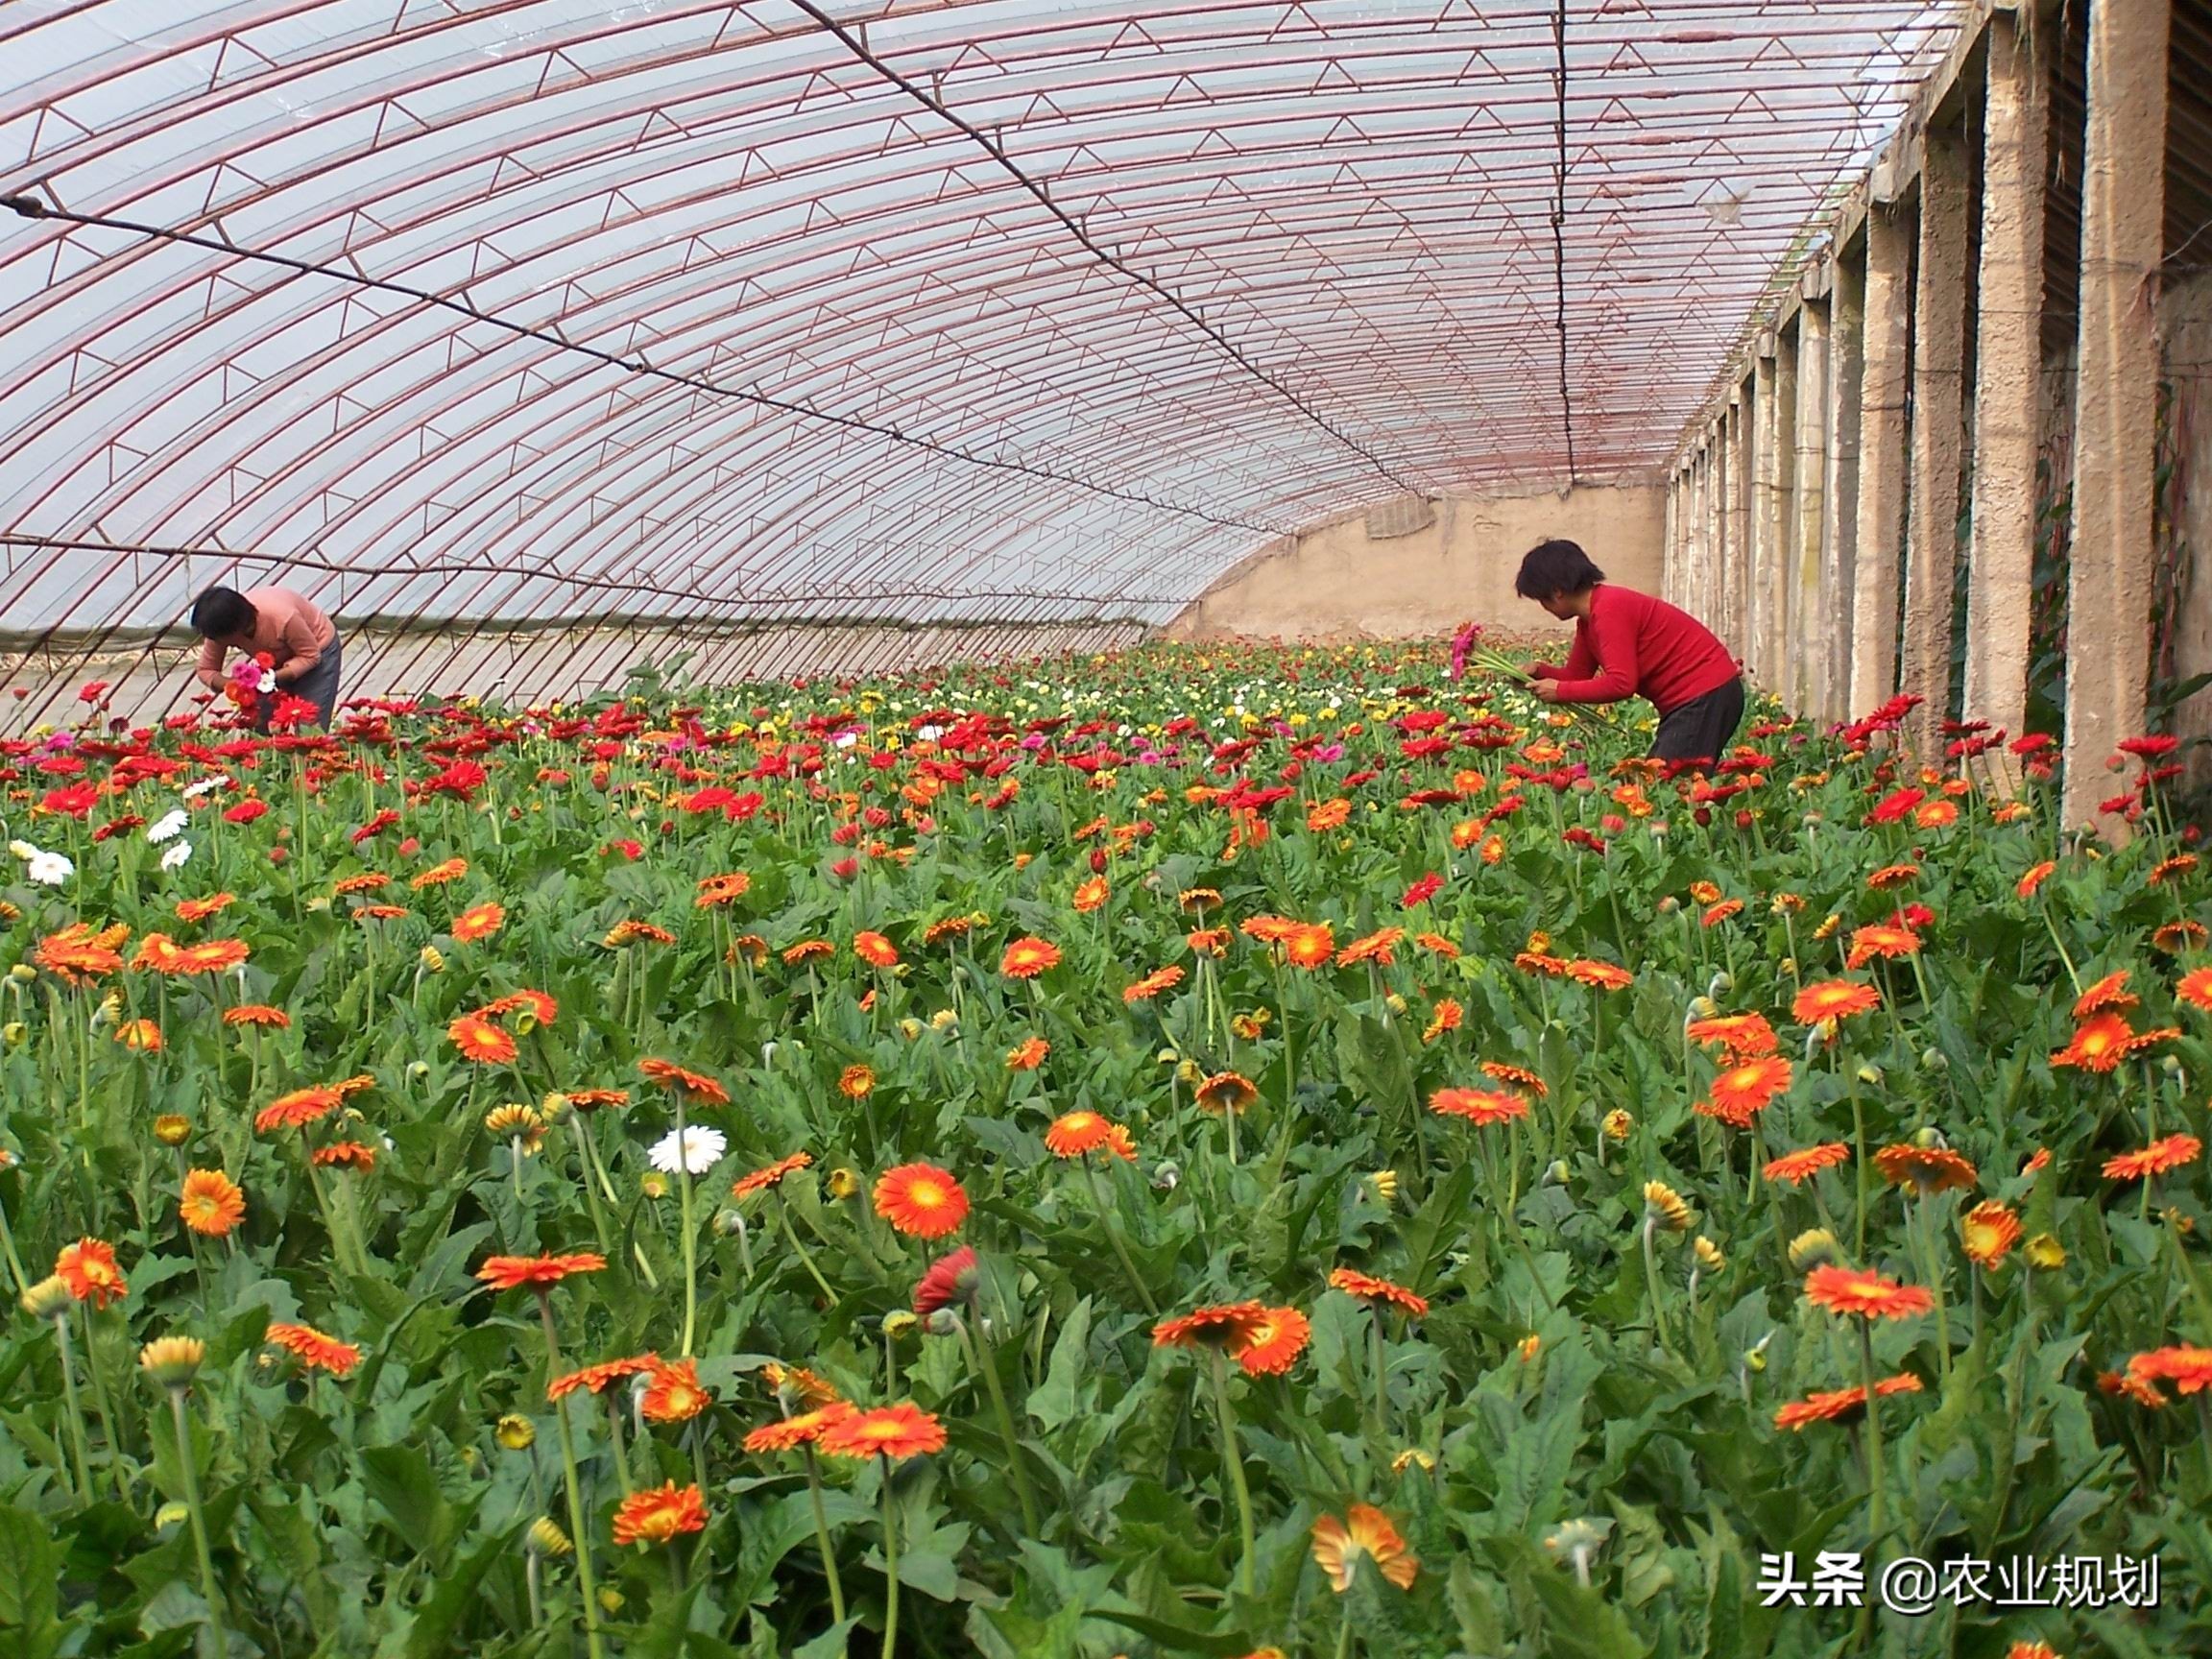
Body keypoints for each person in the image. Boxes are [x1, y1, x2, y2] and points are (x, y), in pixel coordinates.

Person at [1514, 539, 1743, 766]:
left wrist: (1560, 691)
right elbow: (1577, 674)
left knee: (1666, 784)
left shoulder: (1609, 610)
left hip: (1704, 694)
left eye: (1542, 599)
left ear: (1557, 592)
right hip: (1700, 697)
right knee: (1674, 786)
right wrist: (1537, 672)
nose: (1544, 607)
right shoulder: (1590, 619)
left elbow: (1622, 684)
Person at [190, 584, 343, 731]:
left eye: (223, 639)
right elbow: (206, 669)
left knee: (309, 727)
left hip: (318, 650)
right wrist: (232, 685)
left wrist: (270, 678)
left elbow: (310, 656)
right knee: (262, 723)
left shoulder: (282, 617)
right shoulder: (218, 629)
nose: (220, 644)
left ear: (238, 627)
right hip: (275, 664)